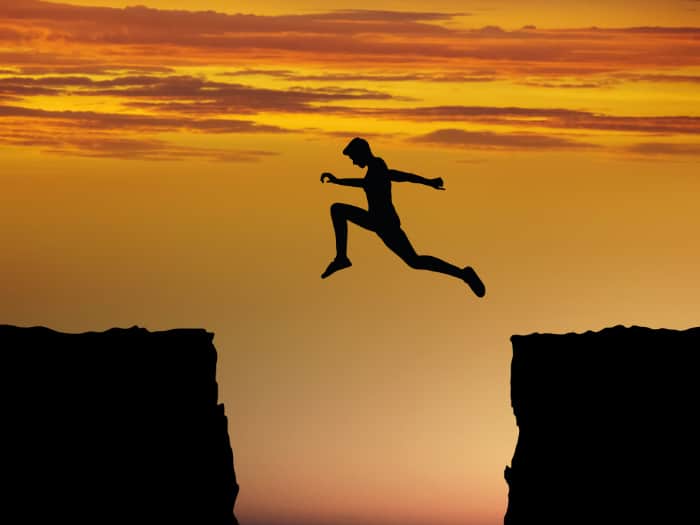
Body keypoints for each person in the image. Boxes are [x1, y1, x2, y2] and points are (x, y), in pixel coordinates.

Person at [320, 137, 486, 297]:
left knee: (415, 261)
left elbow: (397, 177)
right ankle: (463, 274)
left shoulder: (377, 166)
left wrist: (428, 182)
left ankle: (463, 274)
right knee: (415, 261)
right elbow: (392, 177)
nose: (354, 163)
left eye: (353, 158)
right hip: (378, 222)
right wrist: (428, 182)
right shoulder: (375, 168)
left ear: (362, 153)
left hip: (384, 223)